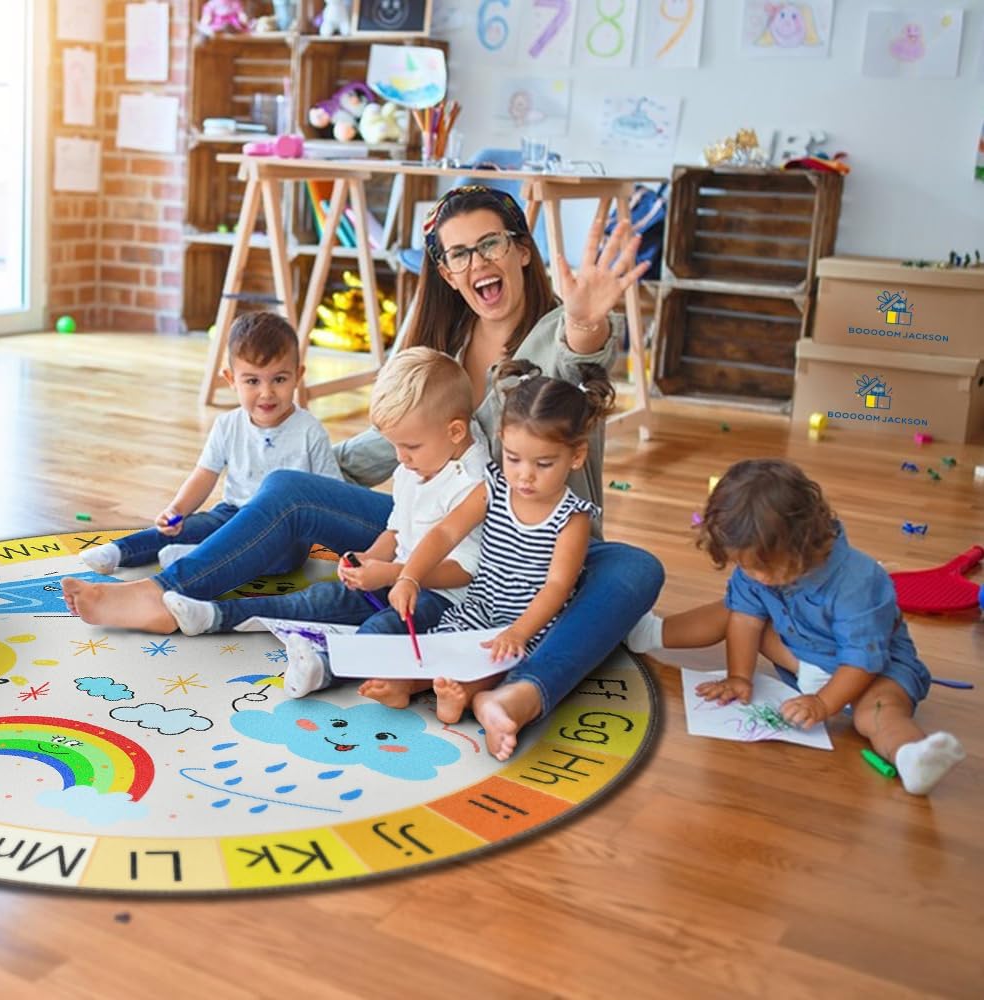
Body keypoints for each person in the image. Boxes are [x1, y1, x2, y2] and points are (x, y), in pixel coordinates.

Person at [63, 186, 663, 760]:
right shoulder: (447, 352)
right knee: (289, 489)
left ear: (521, 251)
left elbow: (582, 353)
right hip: (448, 532)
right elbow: (385, 446)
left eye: (491, 243)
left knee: (636, 570)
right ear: (449, 273)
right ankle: (169, 595)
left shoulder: (557, 336)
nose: (477, 260)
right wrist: (305, 470)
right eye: (460, 252)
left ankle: (523, 691)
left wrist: (586, 321)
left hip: (549, 551)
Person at [626, 459, 965, 795]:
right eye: (746, 566)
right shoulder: (760, 564)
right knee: (731, 612)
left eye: (763, 567)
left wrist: (822, 702)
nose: (756, 576)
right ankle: (646, 633)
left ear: (803, 540)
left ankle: (911, 756)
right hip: (799, 652)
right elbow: (745, 619)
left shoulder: (857, 580)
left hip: (871, 673)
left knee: (876, 714)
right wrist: (739, 676)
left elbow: (863, 660)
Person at [160, 347, 486, 696]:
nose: (400, 458)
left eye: (410, 447)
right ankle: (216, 615)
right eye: (395, 447)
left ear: (454, 432)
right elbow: (396, 530)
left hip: (445, 600)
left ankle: (323, 667)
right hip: (396, 580)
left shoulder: (474, 482)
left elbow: (466, 571)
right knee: (316, 600)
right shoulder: (415, 463)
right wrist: (368, 559)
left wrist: (395, 574)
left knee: (380, 630)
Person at [386, 361, 613, 757]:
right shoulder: (493, 487)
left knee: (495, 666)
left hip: (528, 623)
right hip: (479, 606)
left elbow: (558, 587)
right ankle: (408, 686)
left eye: (543, 464)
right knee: (440, 649)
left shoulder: (572, 518)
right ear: (501, 441)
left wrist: (520, 632)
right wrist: (410, 577)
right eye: (513, 458)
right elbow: (445, 532)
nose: (524, 475)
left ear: (576, 457)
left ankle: (466, 698)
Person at [82, 311, 341, 576]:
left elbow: (333, 494)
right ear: (231, 379)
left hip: (286, 529)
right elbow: (204, 475)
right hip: (232, 514)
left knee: (285, 556)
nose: (267, 393)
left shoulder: (310, 430)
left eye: (280, 379)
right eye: (252, 381)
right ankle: (117, 551)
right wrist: (177, 510)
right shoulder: (227, 425)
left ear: (298, 376)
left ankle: (195, 557)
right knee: (189, 528)